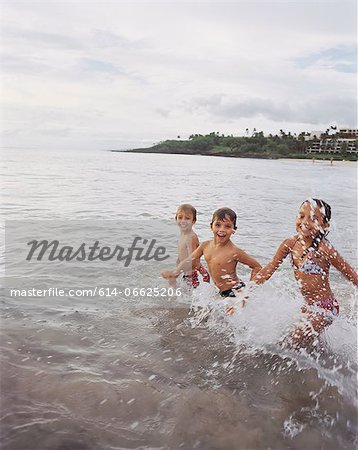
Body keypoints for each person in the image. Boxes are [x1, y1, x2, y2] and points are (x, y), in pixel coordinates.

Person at [252, 198, 358, 347]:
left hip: (326, 307)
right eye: (301, 216)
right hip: (308, 305)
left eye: (314, 218)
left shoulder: (324, 249)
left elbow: (351, 274)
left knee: (291, 341)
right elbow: (270, 267)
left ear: (325, 225)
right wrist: (248, 290)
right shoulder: (290, 244)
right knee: (308, 344)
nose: (305, 222)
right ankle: (320, 366)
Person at [162, 207, 261, 296]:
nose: (221, 230)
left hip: (236, 291)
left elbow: (257, 267)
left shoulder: (234, 252)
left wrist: (248, 292)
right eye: (218, 225)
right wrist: (175, 272)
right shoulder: (205, 246)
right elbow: (190, 259)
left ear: (233, 230)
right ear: (211, 226)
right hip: (222, 292)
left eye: (227, 226)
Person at [172, 204, 210, 288]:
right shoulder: (182, 235)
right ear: (176, 219)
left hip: (193, 274)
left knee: (193, 296)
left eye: (187, 218)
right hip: (186, 272)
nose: (183, 221)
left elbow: (193, 259)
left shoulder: (191, 237)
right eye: (180, 217)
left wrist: (178, 271)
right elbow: (181, 255)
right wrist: (177, 268)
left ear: (193, 221)